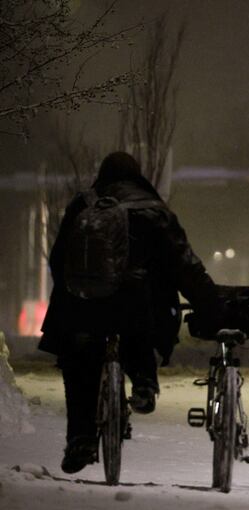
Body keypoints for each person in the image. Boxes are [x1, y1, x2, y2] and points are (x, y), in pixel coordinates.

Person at [39, 152, 224, 474]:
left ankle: (81, 438)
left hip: (82, 305)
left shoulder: (84, 205)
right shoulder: (154, 211)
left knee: (80, 363)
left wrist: (75, 295)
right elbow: (184, 266)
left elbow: (58, 260)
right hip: (137, 307)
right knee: (140, 323)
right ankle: (142, 383)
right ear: (138, 177)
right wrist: (211, 305)